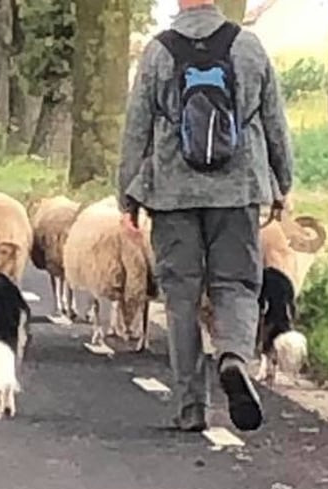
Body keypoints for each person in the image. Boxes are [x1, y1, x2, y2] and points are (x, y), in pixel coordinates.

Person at [118, 0, 293, 432]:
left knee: (181, 297)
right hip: (237, 192)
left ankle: (190, 407)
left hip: (173, 193)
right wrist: (281, 183)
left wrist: (127, 197)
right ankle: (233, 355)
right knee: (236, 284)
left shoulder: (158, 52)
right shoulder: (249, 47)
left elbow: (136, 128)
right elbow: (274, 120)